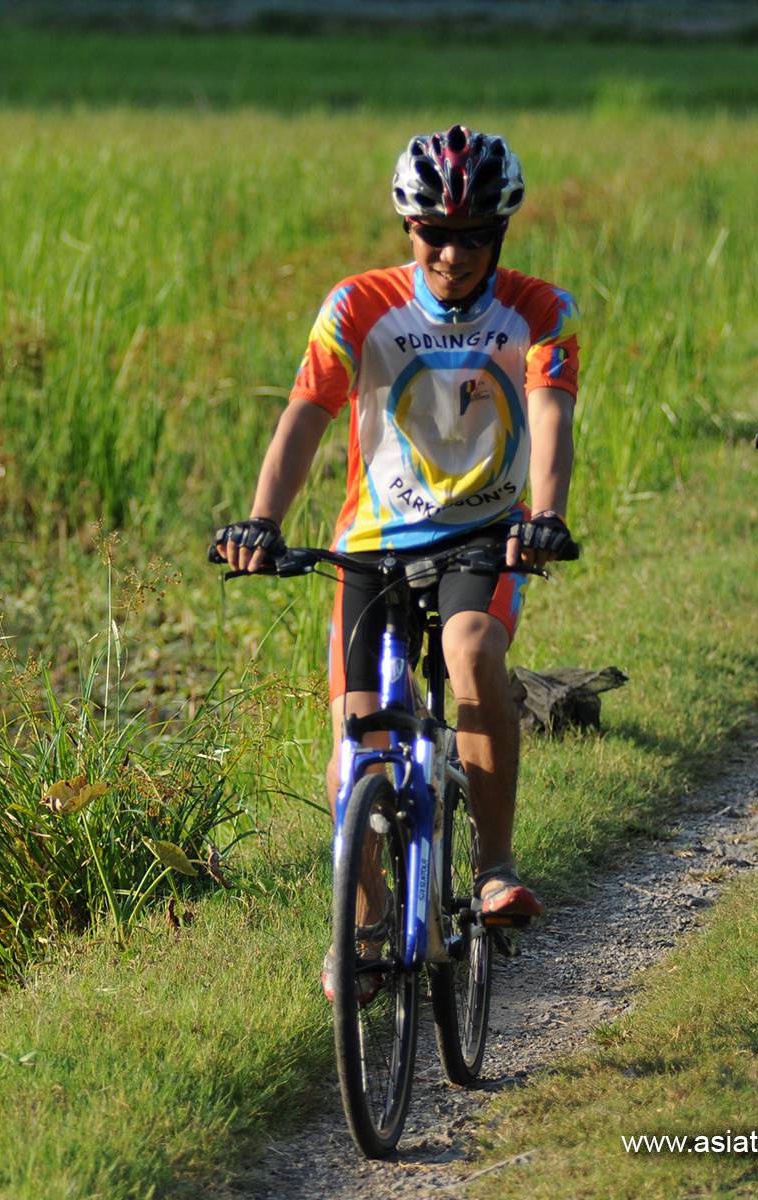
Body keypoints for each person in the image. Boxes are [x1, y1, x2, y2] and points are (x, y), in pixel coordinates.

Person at [212, 124, 580, 999]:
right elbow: (305, 413)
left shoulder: (540, 308)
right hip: (372, 544)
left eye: (474, 234)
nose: (453, 253)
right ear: (407, 228)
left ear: (503, 230)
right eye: (434, 233)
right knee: (356, 746)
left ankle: (493, 867)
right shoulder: (357, 306)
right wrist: (263, 520)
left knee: (471, 655)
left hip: (485, 536)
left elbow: (553, 411)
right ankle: (367, 914)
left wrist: (551, 515)